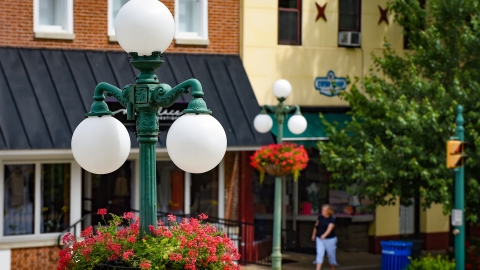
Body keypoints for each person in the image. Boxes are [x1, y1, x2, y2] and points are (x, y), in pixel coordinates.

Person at [311, 204, 338, 270]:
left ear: (328, 211)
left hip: (330, 239)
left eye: (324, 210)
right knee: (319, 254)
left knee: (331, 255)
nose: (322, 211)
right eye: (322, 210)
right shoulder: (320, 217)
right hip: (319, 238)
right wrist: (314, 234)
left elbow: (330, 229)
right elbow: (316, 226)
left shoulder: (331, 219)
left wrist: (324, 235)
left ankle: (333, 268)